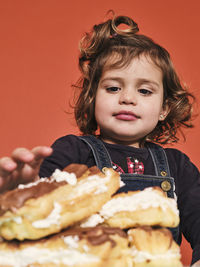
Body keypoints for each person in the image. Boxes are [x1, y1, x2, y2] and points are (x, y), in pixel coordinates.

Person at [0, 12, 199, 266]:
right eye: (113, 88)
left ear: (164, 108)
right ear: (93, 98)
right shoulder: (73, 152)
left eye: (145, 90)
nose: (127, 98)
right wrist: (17, 193)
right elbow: (35, 210)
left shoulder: (179, 168)